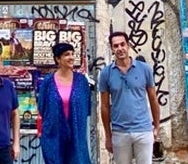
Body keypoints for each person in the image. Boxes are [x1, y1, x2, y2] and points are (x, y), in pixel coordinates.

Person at [98, 31, 160, 164]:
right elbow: (104, 106)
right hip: (120, 131)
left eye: (122, 44)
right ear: (111, 48)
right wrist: (108, 136)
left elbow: (153, 99)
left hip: (143, 130)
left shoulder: (144, 69)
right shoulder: (106, 73)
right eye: (116, 46)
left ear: (128, 45)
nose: (120, 48)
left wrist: (156, 127)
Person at [37, 42, 92, 164]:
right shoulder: (48, 82)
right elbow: (42, 108)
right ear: (58, 59)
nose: (71, 57)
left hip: (77, 137)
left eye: (73, 54)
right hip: (54, 137)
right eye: (67, 54)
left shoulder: (81, 81)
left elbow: (86, 108)